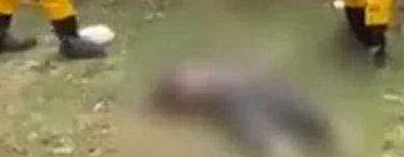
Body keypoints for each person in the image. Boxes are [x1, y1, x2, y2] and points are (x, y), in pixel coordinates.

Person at [144, 61, 338, 157]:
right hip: (310, 119)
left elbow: (274, 149)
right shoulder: (234, 87)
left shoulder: (235, 107)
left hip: (311, 129)